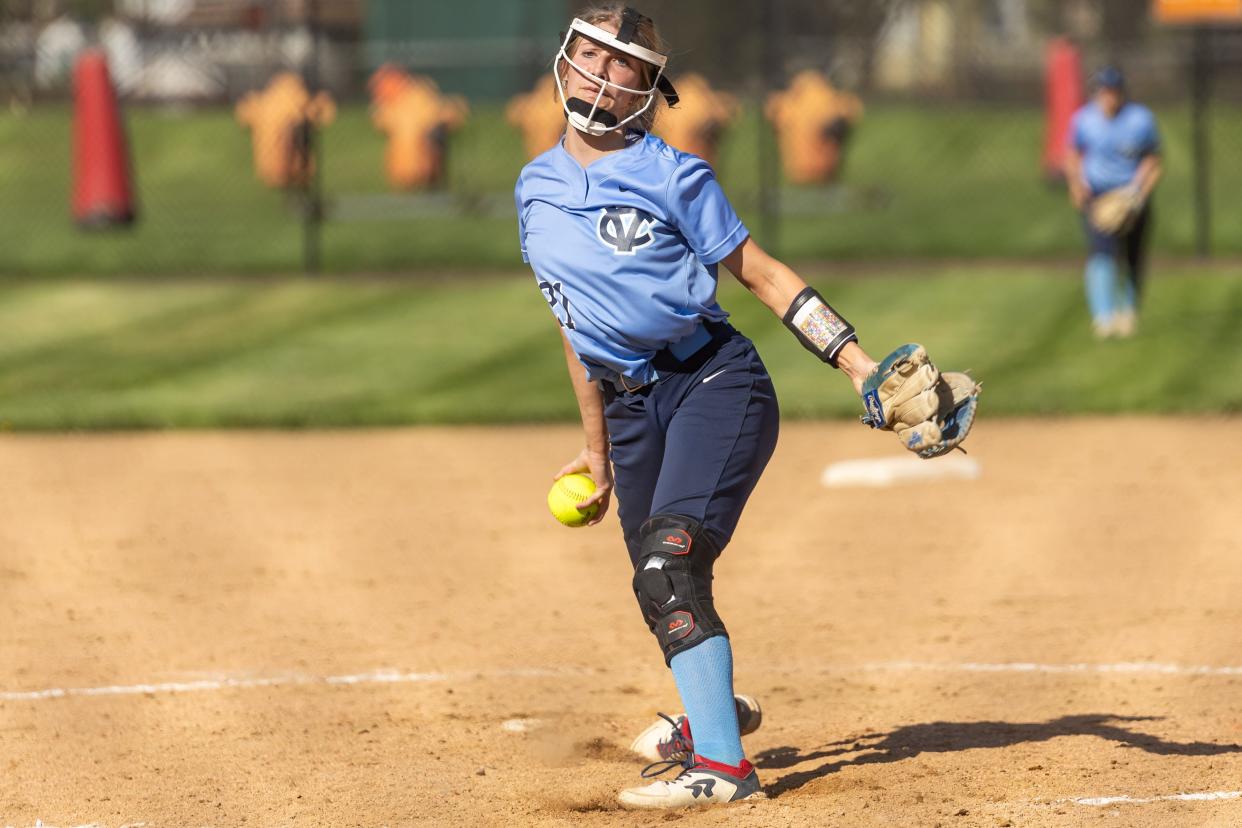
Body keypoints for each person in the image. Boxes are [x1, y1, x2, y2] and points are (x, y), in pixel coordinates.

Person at [515, 4, 974, 809]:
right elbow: (573, 324)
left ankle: (725, 772)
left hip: (712, 383)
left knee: (671, 563)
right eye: (587, 50)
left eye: (620, 61)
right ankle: (711, 715)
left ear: (647, 89)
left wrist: (860, 365)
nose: (597, 68)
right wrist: (596, 453)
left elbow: (761, 274)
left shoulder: (673, 173)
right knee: (656, 583)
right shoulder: (535, 188)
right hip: (627, 411)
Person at [1065, 66, 1162, 338]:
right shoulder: (1084, 119)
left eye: (1113, 92)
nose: (1109, 97)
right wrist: (1076, 184)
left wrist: (1138, 194)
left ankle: (1128, 312)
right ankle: (1104, 317)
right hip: (1097, 196)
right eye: (1104, 91)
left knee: (1132, 255)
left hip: (1130, 196)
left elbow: (1153, 159)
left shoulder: (1140, 119)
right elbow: (1072, 154)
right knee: (1101, 254)